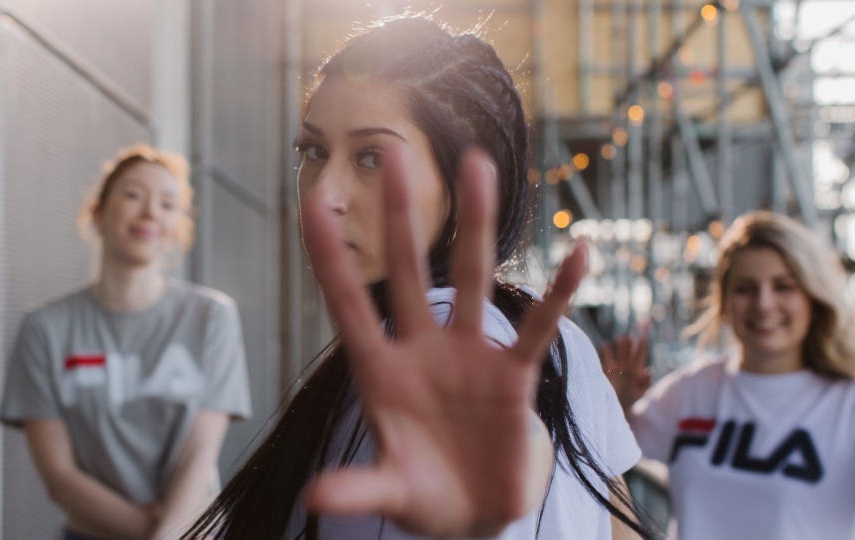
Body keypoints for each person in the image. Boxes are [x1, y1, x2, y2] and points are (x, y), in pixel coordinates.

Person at [183, 16, 648, 540]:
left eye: (371, 157)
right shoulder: (565, 341)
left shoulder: (445, 331)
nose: (320, 196)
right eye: (313, 151)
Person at [0, 144, 253, 540]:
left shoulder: (211, 317)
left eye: (168, 204)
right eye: (134, 195)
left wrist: (169, 535)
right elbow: (59, 476)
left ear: (177, 227)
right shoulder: (45, 329)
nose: (151, 212)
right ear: (98, 213)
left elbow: (199, 454)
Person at [604, 210, 855, 540]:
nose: (763, 304)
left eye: (783, 286)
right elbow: (604, 452)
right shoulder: (690, 390)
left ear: (812, 297)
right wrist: (612, 404)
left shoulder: (846, 404)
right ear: (724, 302)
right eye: (745, 289)